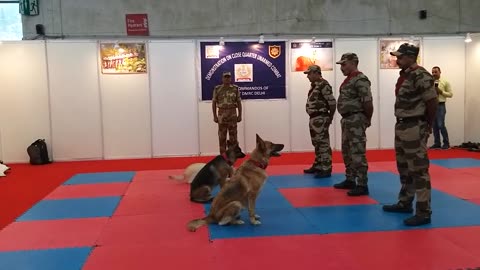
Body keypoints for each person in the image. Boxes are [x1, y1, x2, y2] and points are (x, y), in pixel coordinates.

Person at [382, 43, 438, 226]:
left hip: (415, 126)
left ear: (410, 57)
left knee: (419, 170)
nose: (397, 60)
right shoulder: (406, 75)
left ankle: (423, 211)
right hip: (402, 126)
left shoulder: (421, 75)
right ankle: (405, 202)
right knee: (404, 168)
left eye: (400, 57)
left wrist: (427, 125)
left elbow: (432, 103)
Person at [332, 53, 374, 196]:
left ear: (353, 63)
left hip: (356, 119)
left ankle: (362, 184)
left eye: (344, 64)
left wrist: (366, 119)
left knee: (357, 152)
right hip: (347, 120)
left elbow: (367, 102)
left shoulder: (360, 79)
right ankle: (350, 179)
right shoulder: (349, 80)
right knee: (347, 151)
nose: (341, 68)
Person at [302, 65, 337, 178]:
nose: (307, 76)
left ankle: (326, 168)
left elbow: (332, 103)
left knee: (323, 144)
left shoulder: (323, 85)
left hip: (321, 117)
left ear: (316, 73)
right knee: (317, 143)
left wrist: (330, 117)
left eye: (309, 74)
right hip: (314, 118)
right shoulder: (314, 85)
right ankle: (318, 165)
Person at [212, 71, 242, 155]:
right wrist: (214, 116)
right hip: (222, 114)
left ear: (231, 78)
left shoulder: (235, 88)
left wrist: (240, 115)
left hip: (232, 113)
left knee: (233, 137)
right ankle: (223, 156)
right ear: (222, 78)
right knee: (222, 137)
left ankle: (233, 155)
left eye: (228, 77)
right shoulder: (217, 89)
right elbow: (214, 103)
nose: (227, 79)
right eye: (225, 77)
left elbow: (239, 102)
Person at [430, 66, 453, 149]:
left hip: (440, 105)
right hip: (432, 105)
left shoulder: (445, 82)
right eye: (432, 72)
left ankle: (446, 144)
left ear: (440, 72)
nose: (434, 74)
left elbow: (450, 94)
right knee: (434, 125)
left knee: (440, 125)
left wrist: (441, 92)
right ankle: (437, 143)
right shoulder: (429, 82)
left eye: (436, 72)